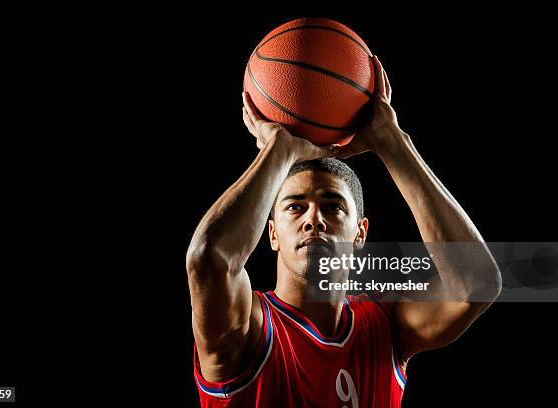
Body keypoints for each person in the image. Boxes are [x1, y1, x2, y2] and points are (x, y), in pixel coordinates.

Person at [186, 55, 502, 407]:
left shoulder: (385, 326)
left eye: (333, 206)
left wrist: (393, 143)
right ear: (271, 233)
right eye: (294, 206)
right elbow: (208, 258)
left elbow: (478, 283)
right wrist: (278, 152)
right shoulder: (249, 328)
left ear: (360, 233)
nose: (313, 218)